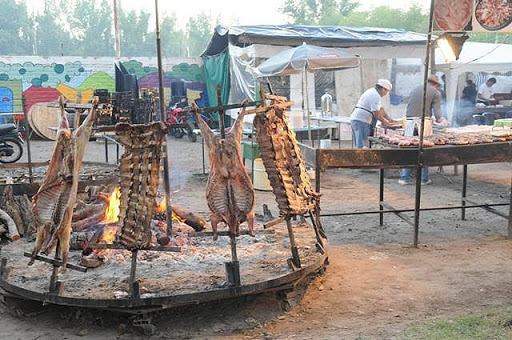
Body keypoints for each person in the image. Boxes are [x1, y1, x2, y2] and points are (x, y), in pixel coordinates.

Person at [399, 75, 447, 186]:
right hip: (423, 122)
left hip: (410, 121)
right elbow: (437, 111)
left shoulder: (415, 89)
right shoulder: (436, 93)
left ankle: (404, 178)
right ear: (435, 84)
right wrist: (442, 120)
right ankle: (423, 179)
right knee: (424, 149)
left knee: (409, 148)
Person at [350, 79, 397, 148]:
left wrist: (390, 120)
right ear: (383, 89)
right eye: (386, 91)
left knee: (361, 143)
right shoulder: (375, 95)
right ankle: (363, 157)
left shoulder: (372, 92)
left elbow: (381, 109)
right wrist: (384, 122)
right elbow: (376, 113)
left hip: (358, 119)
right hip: (361, 120)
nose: (386, 94)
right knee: (363, 145)